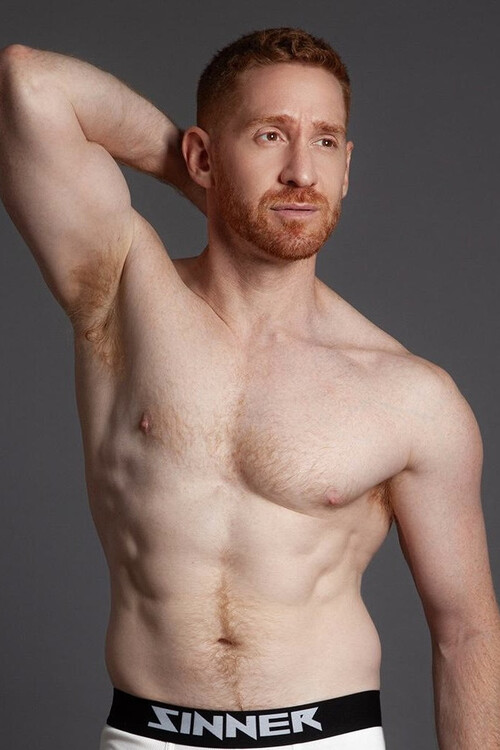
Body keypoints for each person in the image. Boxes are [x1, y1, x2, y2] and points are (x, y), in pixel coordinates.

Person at [0, 26, 499, 750]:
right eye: (270, 136)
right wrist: (204, 188)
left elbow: (467, 632)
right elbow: (28, 83)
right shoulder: (121, 291)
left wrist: (248, 188)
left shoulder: (413, 396)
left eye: (325, 141)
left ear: (347, 166)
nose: (302, 172)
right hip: (149, 736)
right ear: (203, 154)